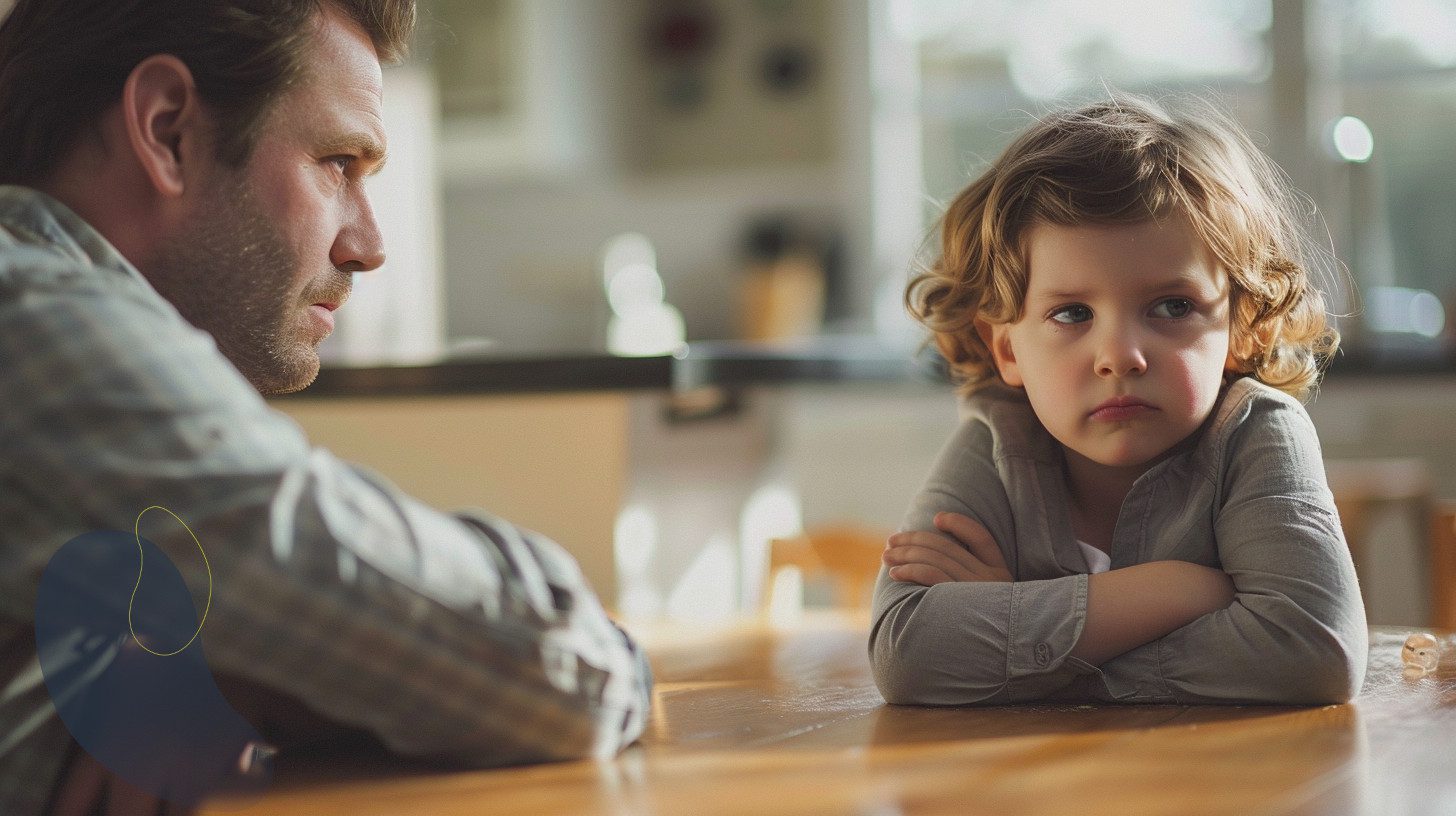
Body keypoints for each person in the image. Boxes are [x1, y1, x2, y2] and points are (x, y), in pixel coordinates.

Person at [0, 0, 652, 812]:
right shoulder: (28, 315)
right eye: (338, 162)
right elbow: (543, 671)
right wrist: (619, 652)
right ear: (169, 130)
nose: (369, 245)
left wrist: (247, 673)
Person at [870, 95, 1368, 707]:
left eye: (1172, 307)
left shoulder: (1258, 432)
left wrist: (1028, 639)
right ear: (1006, 350)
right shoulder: (997, 438)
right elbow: (908, 651)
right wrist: (1173, 590)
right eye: (1071, 313)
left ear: (1245, 327)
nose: (1120, 357)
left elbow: (1314, 652)